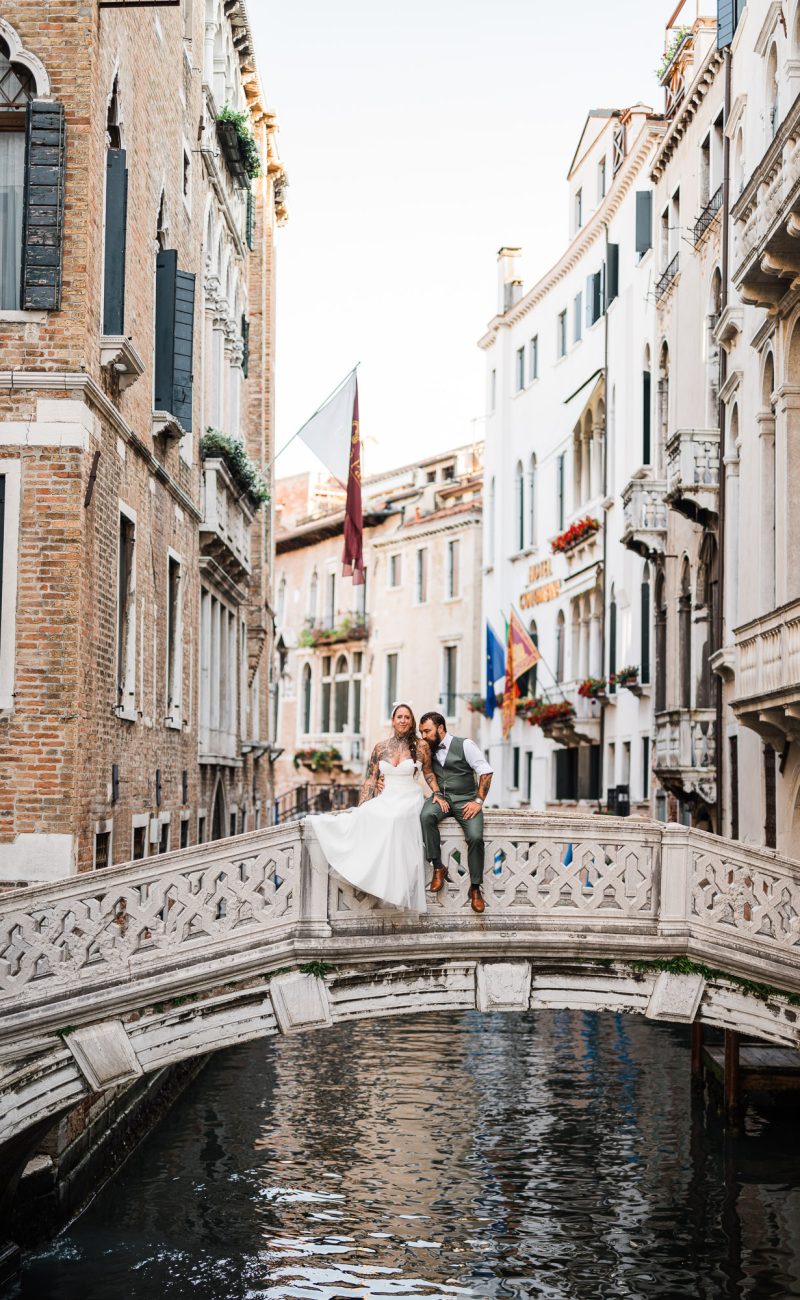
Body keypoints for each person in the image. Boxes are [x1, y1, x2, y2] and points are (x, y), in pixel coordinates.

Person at [305, 703, 444, 911]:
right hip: (388, 795)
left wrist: (438, 793)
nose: (403, 720)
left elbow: (429, 773)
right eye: (399, 716)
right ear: (393, 720)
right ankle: (371, 877)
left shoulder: (421, 746)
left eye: (407, 717)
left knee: (394, 820)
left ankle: (395, 886)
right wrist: (362, 805)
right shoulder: (380, 747)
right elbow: (371, 779)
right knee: (367, 816)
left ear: (412, 721)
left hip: (408, 797)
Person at [418, 711, 494, 914]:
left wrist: (478, 801)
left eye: (427, 731)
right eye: (422, 732)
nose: (424, 735)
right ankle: (437, 866)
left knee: (476, 837)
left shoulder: (465, 745)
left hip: (466, 800)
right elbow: (419, 767)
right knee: (426, 817)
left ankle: (475, 888)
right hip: (441, 799)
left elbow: (485, 771)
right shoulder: (427, 748)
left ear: (440, 728)